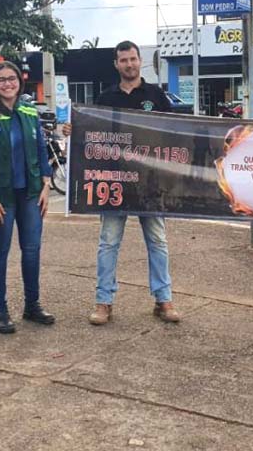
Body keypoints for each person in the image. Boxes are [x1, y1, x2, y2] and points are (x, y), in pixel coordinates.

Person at [64, 40, 180, 326]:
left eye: (133, 59)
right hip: (114, 182)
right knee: (108, 242)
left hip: (150, 185)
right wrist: (72, 128)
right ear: (116, 64)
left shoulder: (157, 95)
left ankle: (163, 300)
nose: (129, 64)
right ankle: (103, 302)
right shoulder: (105, 98)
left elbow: (176, 133)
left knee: (157, 241)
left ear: (141, 61)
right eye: (123, 60)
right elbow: (90, 134)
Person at [0, 61, 55, 334]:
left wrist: (46, 182)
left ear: (19, 81)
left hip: (30, 193)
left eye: (12, 79)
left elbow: (41, 148)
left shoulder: (29, 111)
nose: (7, 84)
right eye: (1, 80)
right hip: (0, 196)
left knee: (31, 250)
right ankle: (1, 310)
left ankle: (32, 305)